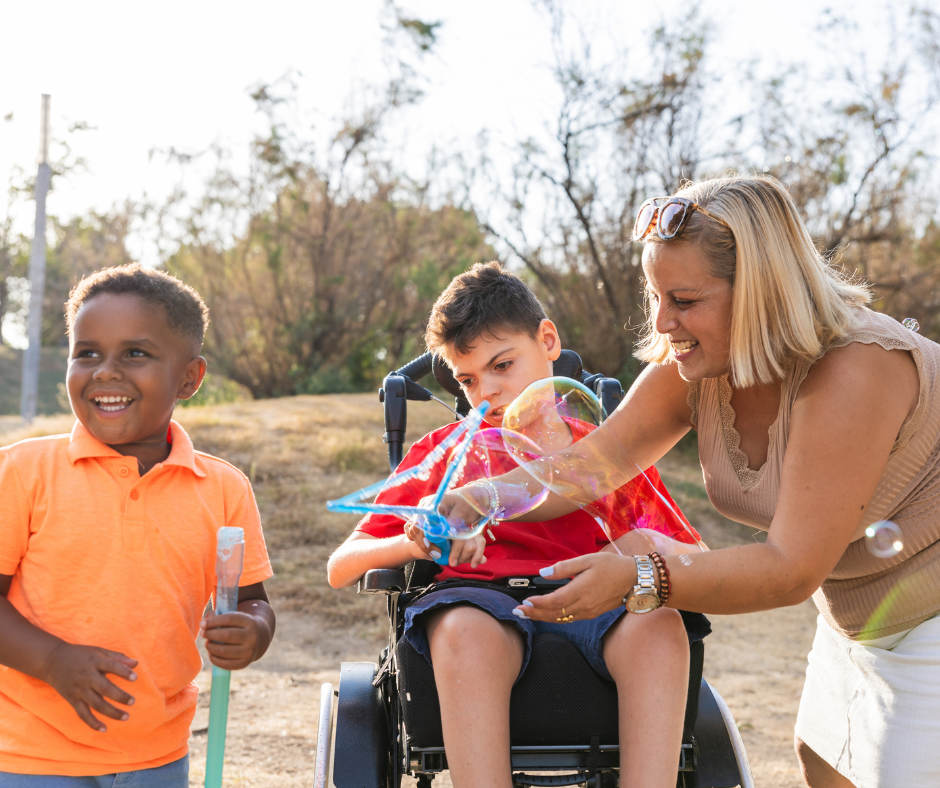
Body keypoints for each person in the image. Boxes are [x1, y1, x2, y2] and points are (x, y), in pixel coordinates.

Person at [442, 175, 940, 788]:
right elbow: (591, 465)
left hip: (932, 620)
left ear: (762, 292)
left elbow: (790, 567)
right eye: (653, 295)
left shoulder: (858, 370)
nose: (661, 321)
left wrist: (640, 577)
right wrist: (480, 499)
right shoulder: (702, 365)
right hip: (861, 617)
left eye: (683, 299)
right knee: (824, 761)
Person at [328, 261, 709, 788]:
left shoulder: (607, 456)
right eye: (467, 380)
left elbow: (697, 559)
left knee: (661, 626)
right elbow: (340, 566)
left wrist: (638, 545)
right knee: (463, 628)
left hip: (598, 604)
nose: (486, 393)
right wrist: (414, 543)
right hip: (483, 604)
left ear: (547, 340)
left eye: (503, 365)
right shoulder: (445, 457)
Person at [0, 264, 275, 786]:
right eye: (87, 352)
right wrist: (54, 660)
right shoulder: (21, 473)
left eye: (135, 353)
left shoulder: (223, 488)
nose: (105, 371)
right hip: (28, 756)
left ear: (190, 378)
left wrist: (255, 630)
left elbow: (249, 599)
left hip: (157, 756)